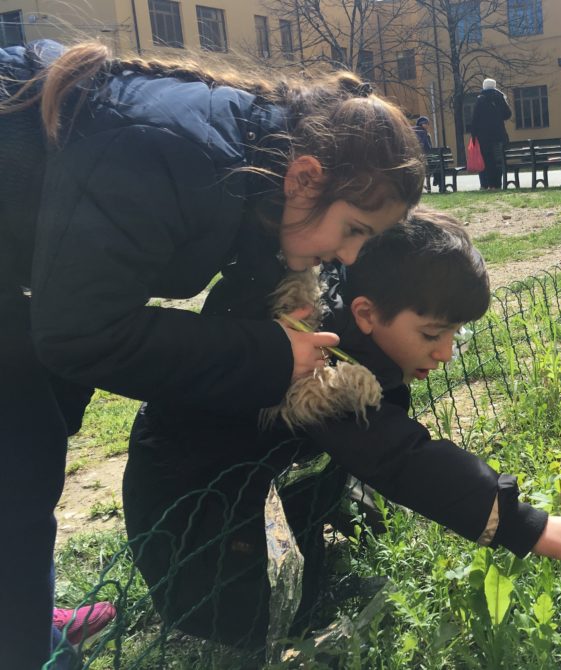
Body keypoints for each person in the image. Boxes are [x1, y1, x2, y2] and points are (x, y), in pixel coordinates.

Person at [0, 39, 423, 668]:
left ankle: (21, 607)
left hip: (29, 274)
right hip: (42, 293)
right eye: (355, 230)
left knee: (48, 416)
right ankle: (22, 643)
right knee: (18, 469)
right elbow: (79, 332)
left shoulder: (254, 167)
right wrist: (270, 356)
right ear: (306, 176)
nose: (352, 256)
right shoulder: (176, 155)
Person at [122, 210, 561, 648]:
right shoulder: (322, 371)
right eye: (431, 334)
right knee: (256, 617)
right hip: (187, 505)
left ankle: (320, 519)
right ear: (367, 315)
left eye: (454, 335)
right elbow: (397, 455)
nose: (445, 353)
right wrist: (527, 524)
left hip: (236, 469)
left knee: (306, 529)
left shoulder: (349, 297)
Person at [469, 78, 512, 190]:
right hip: (499, 136)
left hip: (484, 138)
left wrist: (474, 136)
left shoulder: (480, 99)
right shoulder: (500, 97)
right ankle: (497, 184)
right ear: (494, 86)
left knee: (487, 160)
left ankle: (487, 184)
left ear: (484, 86)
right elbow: (507, 115)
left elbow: (474, 119)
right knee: (499, 160)